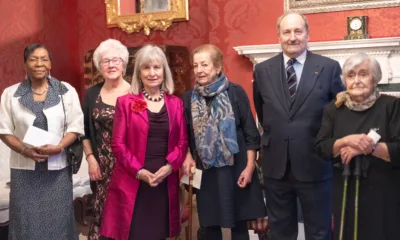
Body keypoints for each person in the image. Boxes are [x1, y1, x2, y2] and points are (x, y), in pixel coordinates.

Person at [253, 12, 344, 240]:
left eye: (297, 31)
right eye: (286, 32)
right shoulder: (262, 70)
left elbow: (338, 115)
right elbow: (263, 113)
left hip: (315, 163)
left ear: (307, 34)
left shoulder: (329, 68)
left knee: (320, 232)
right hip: (276, 167)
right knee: (281, 233)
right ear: (279, 35)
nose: (292, 37)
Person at [100, 45, 188, 240]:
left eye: (157, 67)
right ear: (138, 73)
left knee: (159, 233)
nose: (152, 73)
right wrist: (139, 171)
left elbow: (182, 143)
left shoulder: (176, 103)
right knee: (135, 233)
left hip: (164, 179)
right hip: (134, 178)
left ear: (164, 72)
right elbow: (118, 144)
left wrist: (169, 167)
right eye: (146, 68)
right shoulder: (125, 102)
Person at [0, 44, 84, 240]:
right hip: (24, 171)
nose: (39, 64)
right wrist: (24, 150)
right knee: (25, 222)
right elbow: (3, 130)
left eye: (44, 59)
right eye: (33, 59)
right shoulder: (11, 94)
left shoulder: (66, 91)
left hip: (58, 169)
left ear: (50, 63)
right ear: (25, 64)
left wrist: (60, 147)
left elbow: (76, 125)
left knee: (58, 221)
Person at [183, 44, 266, 240]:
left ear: (218, 67)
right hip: (206, 170)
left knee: (238, 225)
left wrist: (249, 168)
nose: (199, 70)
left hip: (236, 168)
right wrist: (187, 157)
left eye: (205, 65)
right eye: (196, 66)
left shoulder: (235, 92)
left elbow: (251, 134)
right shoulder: (188, 98)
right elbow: (184, 135)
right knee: (209, 224)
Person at [316, 53, 400, 240]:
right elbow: (321, 147)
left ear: (375, 78)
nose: (357, 80)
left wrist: (365, 147)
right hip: (344, 187)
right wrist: (346, 141)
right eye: (351, 75)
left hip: (383, 192)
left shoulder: (392, 106)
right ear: (345, 80)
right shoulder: (334, 109)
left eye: (363, 74)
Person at [82, 39, 131, 240]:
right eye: (105, 61)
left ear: (124, 64)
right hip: (102, 166)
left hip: (130, 164)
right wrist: (91, 158)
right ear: (99, 67)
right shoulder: (92, 94)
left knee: (128, 211)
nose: (111, 65)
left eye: (115, 60)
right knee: (104, 215)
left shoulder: (137, 91)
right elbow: (84, 130)